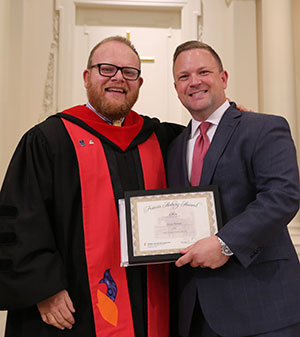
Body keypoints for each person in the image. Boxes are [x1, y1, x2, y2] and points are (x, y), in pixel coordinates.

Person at [0, 36, 182, 337]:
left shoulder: (160, 139)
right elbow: (21, 221)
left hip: (146, 303)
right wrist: (43, 289)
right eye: (106, 69)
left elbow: (210, 146)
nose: (118, 79)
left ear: (139, 82)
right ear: (87, 77)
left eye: (128, 72)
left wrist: (235, 119)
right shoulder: (50, 140)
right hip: (72, 306)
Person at [167, 40, 300, 337]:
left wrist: (224, 243)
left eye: (204, 72)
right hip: (196, 312)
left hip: (262, 307)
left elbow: (282, 197)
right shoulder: (174, 146)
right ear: (175, 87)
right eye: (184, 76)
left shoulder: (263, 128)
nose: (194, 82)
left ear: (223, 78)